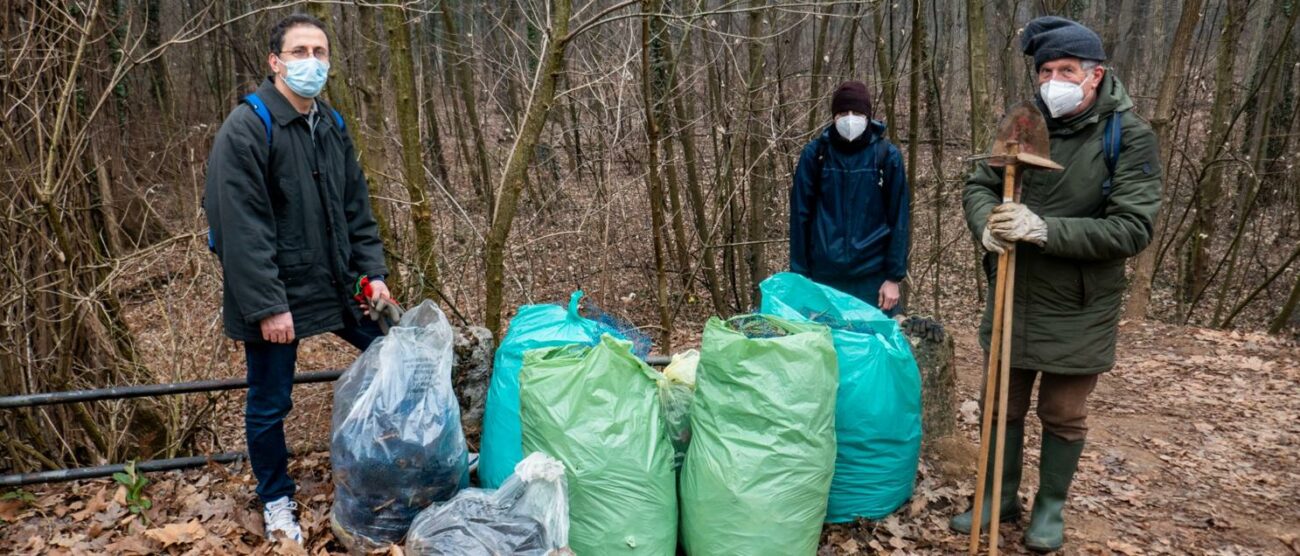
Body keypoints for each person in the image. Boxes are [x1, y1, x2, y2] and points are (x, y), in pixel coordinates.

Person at [951, 16, 1162, 552]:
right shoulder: (1022, 122)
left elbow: (1132, 228)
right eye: (1045, 70)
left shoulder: (1128, 136)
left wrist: (1044, 228)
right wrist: (988, 225)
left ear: (1095, 76)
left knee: (1063, 414)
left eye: (1066, 70)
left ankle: (1049, 508)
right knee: (999, 406)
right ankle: (999, 495)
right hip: (1012, 292)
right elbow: (981, 182)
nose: (1053, 81)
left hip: (1079, 304)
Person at [204, 14, 391, 544]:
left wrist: (372, 274)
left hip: (336, 283)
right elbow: (239, 226)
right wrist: (267, 306)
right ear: (275, 62)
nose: (312, 61)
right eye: (300, 51)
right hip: (275, 295)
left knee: (400, 353)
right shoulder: (248, 127)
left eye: (320, 51)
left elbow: (357, 209)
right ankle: (276, 499)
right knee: (270, 402)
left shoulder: (329, 123)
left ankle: (402, 461)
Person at [789, 81, 910, 316]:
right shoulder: (815, 156)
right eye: (843, 113)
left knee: (876, 348)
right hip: (823, 276)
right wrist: (800, 276)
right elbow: (800, 217)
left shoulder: (886, 157)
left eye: (857, 113)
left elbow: (900, 220)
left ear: (868, 116)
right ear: (834, 117)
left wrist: (893, 277)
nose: (850, 119)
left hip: (872, 279)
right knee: (826, 349)